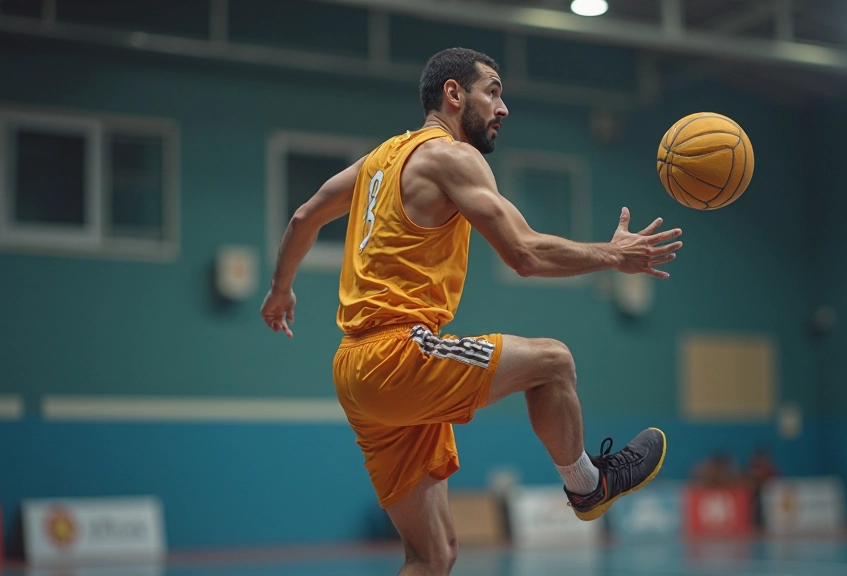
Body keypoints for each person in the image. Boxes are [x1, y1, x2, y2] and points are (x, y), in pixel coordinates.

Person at [261, 47, 683, 576]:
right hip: (397, 354)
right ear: (453, 94)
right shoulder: (453, 157)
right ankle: (587, 485)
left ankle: (583, 488)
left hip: (354, 372)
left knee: (434, 557)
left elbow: (303, 216)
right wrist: (613, 255)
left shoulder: (382, 160)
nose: (503, 108)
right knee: (553, 361)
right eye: (494, 91)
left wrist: (281, 290)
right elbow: (524, 254)